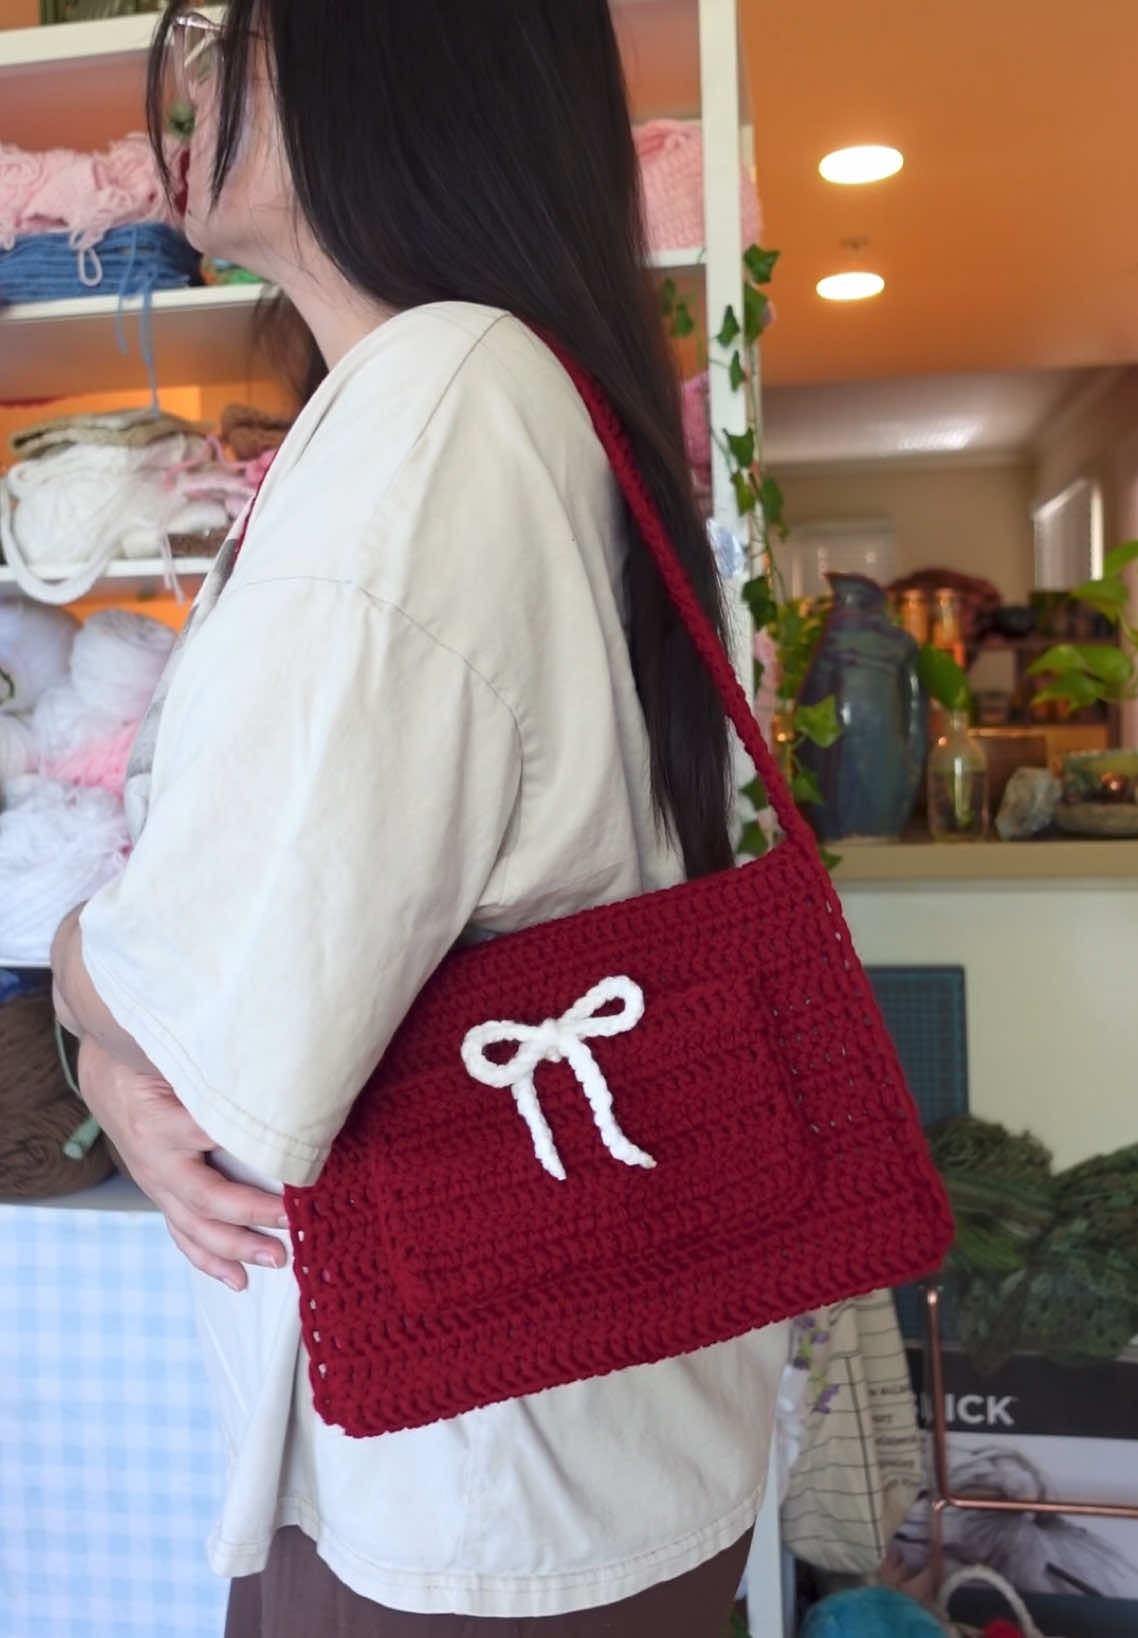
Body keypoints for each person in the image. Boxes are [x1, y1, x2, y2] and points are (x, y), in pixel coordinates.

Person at [50, 3, 788, 1633]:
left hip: (467, 1475)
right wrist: (123, 1036)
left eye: (228, 30)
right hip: (538, 1433)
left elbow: (242, 1007)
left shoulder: (442, 390)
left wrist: (82, 983)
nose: (192, 77)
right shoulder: (480, 386)